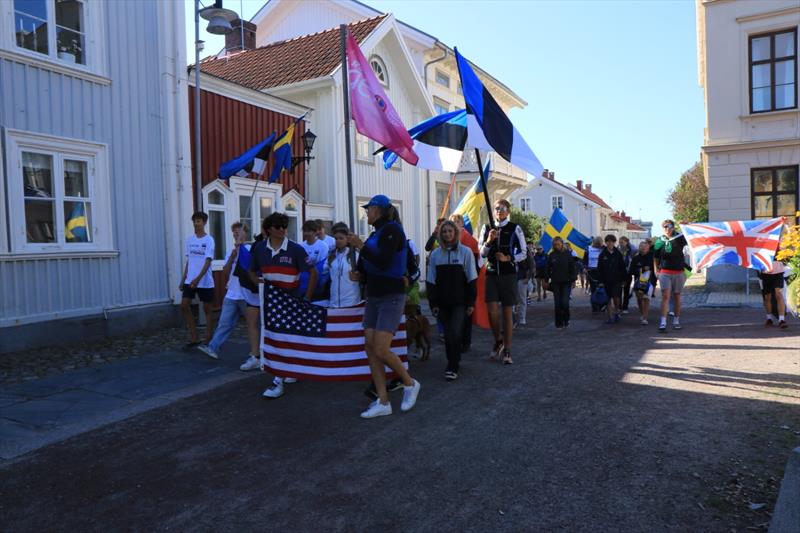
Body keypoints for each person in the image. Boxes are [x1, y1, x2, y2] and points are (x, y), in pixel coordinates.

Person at [347, 195, 420, 419]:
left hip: (391, 295)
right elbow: (369, 266)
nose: (366, 213)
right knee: (370, 346)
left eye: (368, 210)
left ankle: (409, 383)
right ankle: (383, 401)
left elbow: (384, 261)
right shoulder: (374, 235)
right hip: (374, 295)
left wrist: (359, 246)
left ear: (378, 210)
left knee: (380, 348)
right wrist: (358, 275)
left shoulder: (393, 231)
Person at [249, 212, 318, 398]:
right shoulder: (260, 249)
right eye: (278, 226)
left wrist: (307, 298)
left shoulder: (296, 249)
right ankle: (279, 378)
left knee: (288, 338)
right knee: (276, 339)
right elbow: (251, 271)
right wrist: (258, 282)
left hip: (291, 301)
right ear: (269, 229)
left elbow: (313, 273)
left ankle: (283, 375)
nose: (282, 230)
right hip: (270, 303)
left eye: (285, 226)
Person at [197, 223, 261, 366]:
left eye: (238, 231)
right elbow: (225, 272)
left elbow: (250, 268)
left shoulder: (250, 249)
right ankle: (213, 347)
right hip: (232, 293)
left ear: (245, 232)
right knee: (224, 323)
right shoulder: (230, 251)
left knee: (254, 325)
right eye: (233, 232)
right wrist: (232, 257)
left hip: (246, 295)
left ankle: (256, 352)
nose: (235, 234)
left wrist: (240, 250)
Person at [426, 220, 478, 381]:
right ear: (440, 234)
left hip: (460, 302)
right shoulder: (435, 255)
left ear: (455, 233)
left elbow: (471, 278)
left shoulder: (466, 252)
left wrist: (471, 302)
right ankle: (453, 360)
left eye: (450, 231)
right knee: (448, 335)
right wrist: (433, 303)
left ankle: (453, 365)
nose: (447, 234)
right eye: (444, 232)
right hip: (442, 303)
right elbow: (431, 281)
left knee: (455, 332)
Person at [478, 199, 527, 364]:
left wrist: (509, 258)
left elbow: (524, 252)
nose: (499, 211)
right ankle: (498, 340)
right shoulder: (486, 228)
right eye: (497, 208)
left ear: (508, 211)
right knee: (492, 310)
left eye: (503, 208)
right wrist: (489, 241)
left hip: (509, 274)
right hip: (491, 273)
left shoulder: (515, 228)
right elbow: (481, 254)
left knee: (507, 312)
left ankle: (507, 349)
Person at [180, 211, 216, 348]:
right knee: (184, 305)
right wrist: (184, 279)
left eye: (199, 221)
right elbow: (189, 260)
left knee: (207, 309)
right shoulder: (190, 240)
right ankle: (194, 337)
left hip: (204, 280)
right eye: (194, 221)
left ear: (204, 223)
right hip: (190, 280)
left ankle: (208, 336)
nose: (196, 224)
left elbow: (207, 261)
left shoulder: (209, 240)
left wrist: (198, 278)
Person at [449, 213, 480, 352]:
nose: (455, 223)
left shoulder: (470, 240)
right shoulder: (447, 239)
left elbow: (475, 264)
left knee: (467, 313)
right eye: (452, 221)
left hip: (466, 281)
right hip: (451, 283)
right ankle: (455, 340)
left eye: (457, 221)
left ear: (462, 223)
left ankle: (466, 342)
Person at [653, 219, 688, 332]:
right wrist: (656, 271)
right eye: (665, 227)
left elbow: (691, 237)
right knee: (665, 296)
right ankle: (663, 322)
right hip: (665, 272)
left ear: (673, 227)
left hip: (679, 272)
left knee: (677, 296)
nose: (667, 229)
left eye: (669, 226)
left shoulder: (679, 237)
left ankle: (676, 321)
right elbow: (655, 257)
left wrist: (686, 226)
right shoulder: (660, 240)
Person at [545, 236, 577, 329]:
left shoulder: (568, 254)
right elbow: (547, 269)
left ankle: (566, 320)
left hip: (566, 282)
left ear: (562, 244)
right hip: (555, 283)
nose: (556, 246)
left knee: (565, 302)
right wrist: (546, 280)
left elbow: (573, 268)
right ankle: (558, 322)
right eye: (555, 245)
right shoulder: (551, 255)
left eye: (558, 244)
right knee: (557, 304)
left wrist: (573, 280)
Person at [327, 224, 362, 308]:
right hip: (334, 302)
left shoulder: (355, 255)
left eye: (341, 238)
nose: (338, 241)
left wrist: (359, 277)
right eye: (336, 238)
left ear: (348, 239)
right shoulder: (331, 256)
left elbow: (364, 274)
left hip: (351, 301)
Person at [597, 234, 626, 324]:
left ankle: (616, 312)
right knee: (608, 299)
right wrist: (600, 281)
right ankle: (610, 317)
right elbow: (599, 269)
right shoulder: (602, 255)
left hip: (617, 280)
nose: (610, 243)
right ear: (605, 243)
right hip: (606, 280)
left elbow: (622, 267)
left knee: (616, 298)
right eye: (608, 241)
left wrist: (624, 279)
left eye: (611, 241)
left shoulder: (618, 254)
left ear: (614, 242)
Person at [300, 219, 330, 303]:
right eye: (305, 231)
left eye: (309, 231)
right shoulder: (301, 246)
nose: (306, 233)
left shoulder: (323, 246)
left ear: (315, 232)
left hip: (319, 282)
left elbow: (323, 265)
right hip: (304, 282)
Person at [629, 240, 657, 325]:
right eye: (641, 247)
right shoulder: (635, 258)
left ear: (648, 248)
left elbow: (656, 270)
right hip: (639, 283)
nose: (643, 249)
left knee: (646, 298)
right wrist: (639, 271)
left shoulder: (652, 257)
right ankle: (642, 313)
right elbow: (631, 270)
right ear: (639, 248)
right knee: (639, 299)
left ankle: (645, 317)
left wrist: (655, 282)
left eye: (645, 247)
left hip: (650, 282)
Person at [760, 259, 788, 329]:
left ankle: (781, 320)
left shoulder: (780, 247)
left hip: (779, 272)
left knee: (778, 294)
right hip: (765, 272)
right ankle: (769, 318)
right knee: (767, 297)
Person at [515, 240, 534, 326]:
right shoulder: (508, 247)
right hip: (510, 277)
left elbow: (531, 265)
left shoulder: (524, 249)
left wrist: (528, 277)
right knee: (511, 299)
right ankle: (512, 317)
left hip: (522, 277)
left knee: (522, 299)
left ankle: (522, 318)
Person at [618, 236, 635, 314]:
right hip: (619, 273)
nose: (620, 244)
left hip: (628, 273)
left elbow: (636, 252)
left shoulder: (631, 250)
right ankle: (619, 306)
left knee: (626, 290)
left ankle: (625, 307)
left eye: (622, 242)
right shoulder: (618, 249)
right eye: (620, 242)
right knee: (618, 291)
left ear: (627, 242)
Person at [586, 236, 604, 310]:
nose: (598, 246)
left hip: (601, 271)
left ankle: (602, 304)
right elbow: (584, 260)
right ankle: (595, 306)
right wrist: (585, 268)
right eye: (597, 244)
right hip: (592, 271)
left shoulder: (603, 249)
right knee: (594, 289)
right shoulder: (588, 249)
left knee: (602, 288)